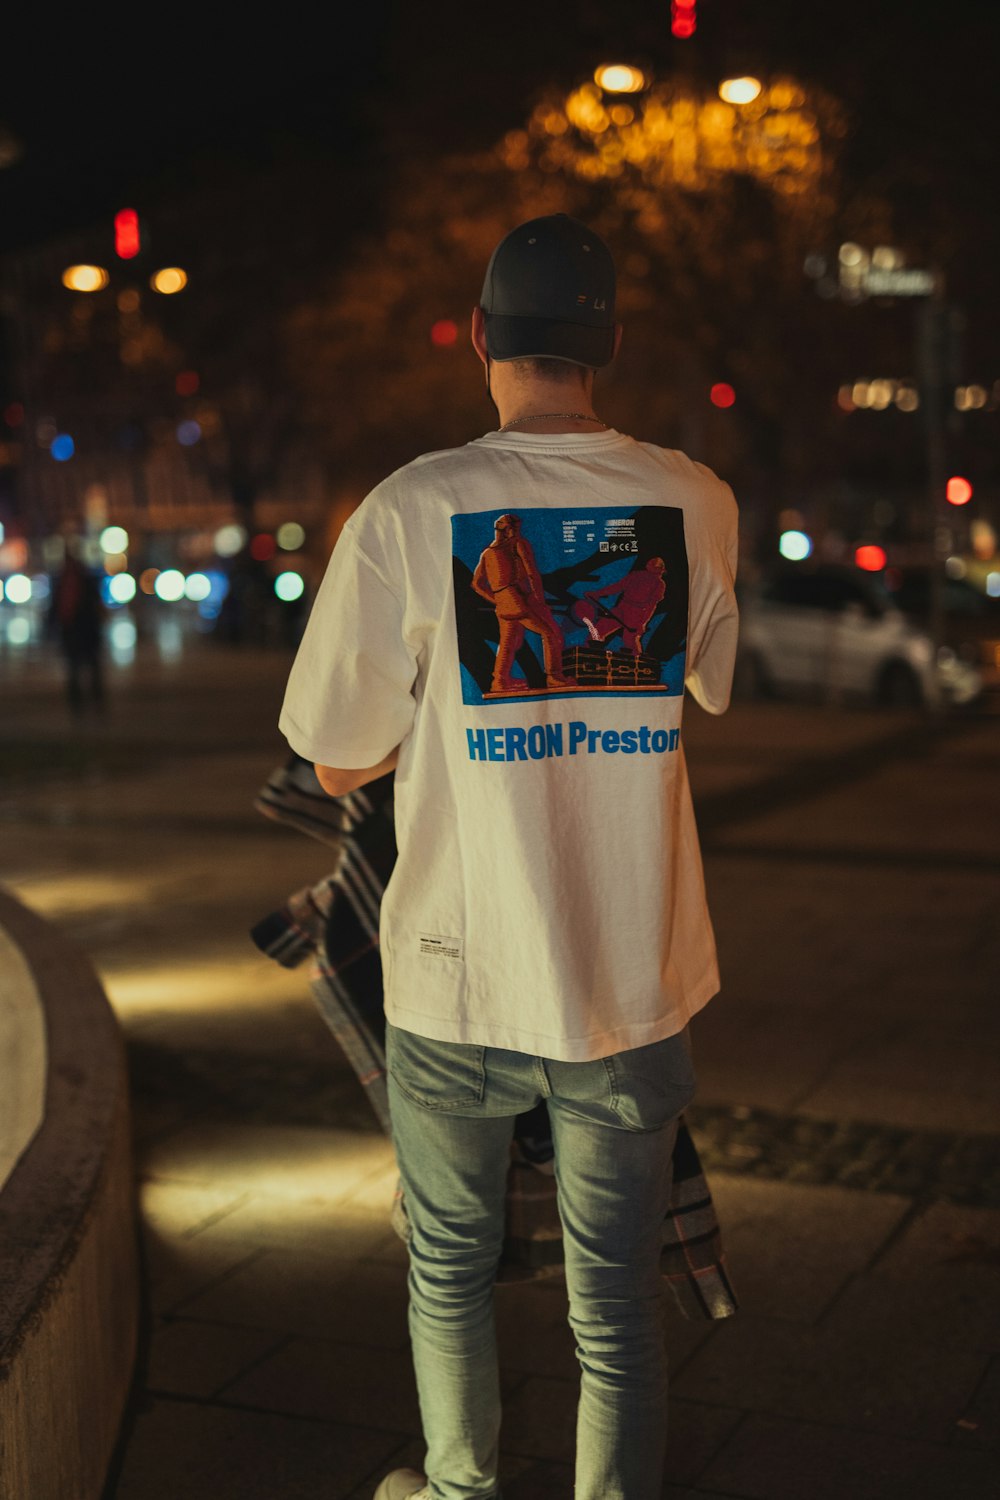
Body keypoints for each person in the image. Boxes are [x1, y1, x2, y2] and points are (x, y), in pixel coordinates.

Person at [279, 213, 739, 1500]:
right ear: (606, 349)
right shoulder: (694, 499)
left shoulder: (414, 505)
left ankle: (462, 1489)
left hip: (458, 968)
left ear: (481, 337)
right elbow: (701, 683)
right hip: (629, 966)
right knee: (615, 1305)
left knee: (449, 1269)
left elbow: (332, 757)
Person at [48, 543, 105, 716]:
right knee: (77, 670)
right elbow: (56, 609)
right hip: (75, 633)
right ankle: (80, 706)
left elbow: (57, 609)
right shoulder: (66, 582)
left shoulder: (80, 581)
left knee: (89, 670)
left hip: (82, 632)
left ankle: (92, 705)